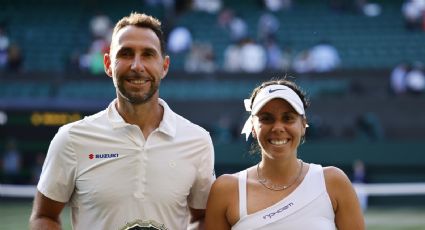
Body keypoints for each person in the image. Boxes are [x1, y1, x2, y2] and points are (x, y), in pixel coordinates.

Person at [29, 12, 215, 230]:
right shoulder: (71, 139)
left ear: (164, 66)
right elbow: (45, 216)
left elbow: (202, 218)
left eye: (148, 54)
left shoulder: (197, 140)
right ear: (108, 63)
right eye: (126, 54)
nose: (137, 65)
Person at [205, 79, 364, 229]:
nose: (278, 127)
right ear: (253, 127)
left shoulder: (334, 182)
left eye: (288, 118)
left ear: (303, 125)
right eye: (267, 119)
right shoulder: (225, 190)